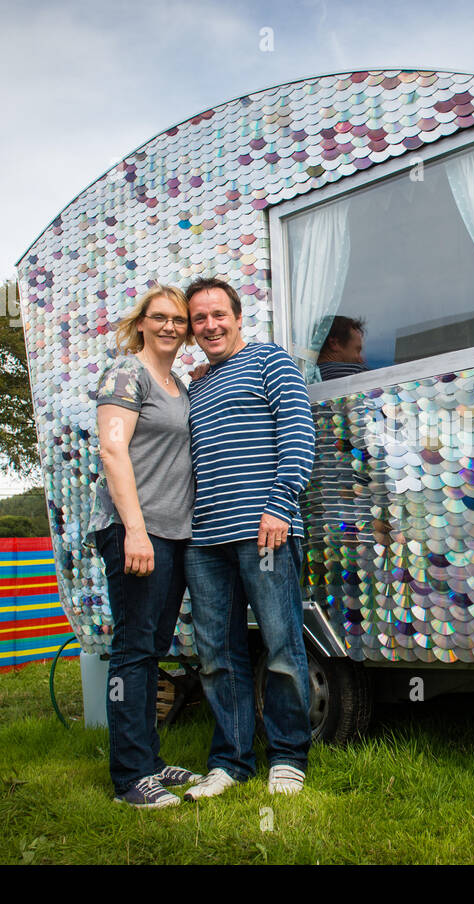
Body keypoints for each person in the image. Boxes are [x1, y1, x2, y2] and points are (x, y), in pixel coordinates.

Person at [182, 277, 316, 798]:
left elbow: (300, 433)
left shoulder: (271, 361)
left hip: (265, 529)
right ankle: (230, 761)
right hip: (204, 539)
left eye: (219, 315)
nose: (210, 325)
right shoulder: (198, 386)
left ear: (238, 317)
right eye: (200, 319)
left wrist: (280, 504)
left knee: (282, 646)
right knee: (217, 654)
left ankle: (287, 756)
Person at [90, 284, 202, 808]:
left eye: (178, 319)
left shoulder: (175, 381)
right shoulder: (125, 373)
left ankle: (150, 763)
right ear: (141, 323)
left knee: (152, 649)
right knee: (134, 651)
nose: (169, 327)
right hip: (137, 530)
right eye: (159, 318)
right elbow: (113, 451)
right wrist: (134, 530)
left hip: (173, 533)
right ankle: (130, 778)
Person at [315, 315, 369, 380]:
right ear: (334, 344)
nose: (361, 360)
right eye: (357, 350)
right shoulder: (356, 373)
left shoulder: (304, 379)